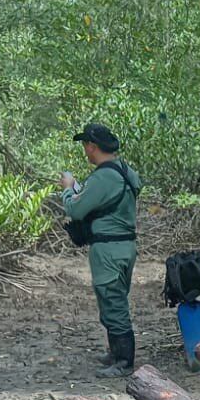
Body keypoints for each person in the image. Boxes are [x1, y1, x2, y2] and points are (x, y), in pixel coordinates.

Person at [60, 123, 141, 377]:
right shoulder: (128, 172)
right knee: (115, 298)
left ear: (92, 147)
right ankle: (116, 353)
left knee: (112, 301)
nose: (85, 150)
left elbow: (75, 209)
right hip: (126, 246)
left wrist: (67, 188)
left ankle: (124, 362)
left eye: (86, 145)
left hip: (107, 248)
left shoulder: (102, 177)